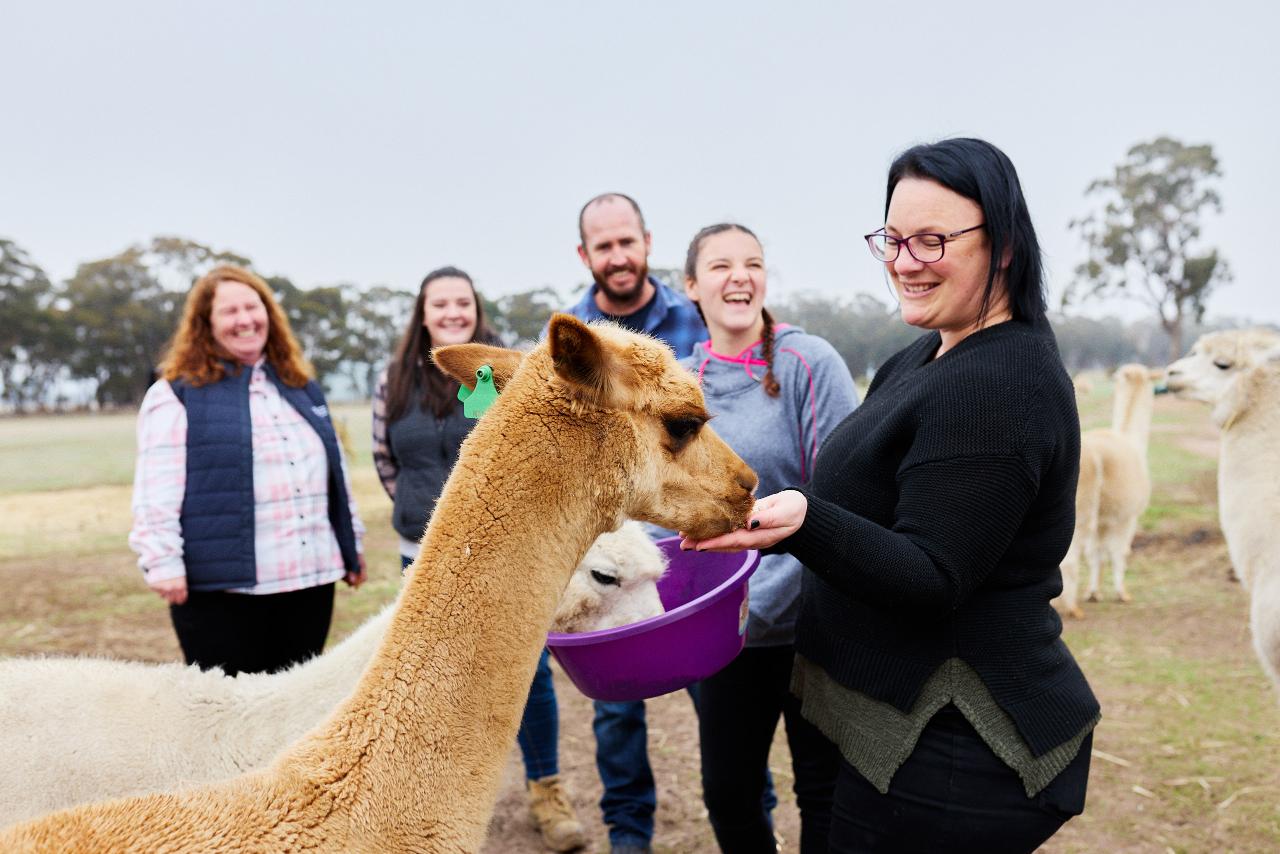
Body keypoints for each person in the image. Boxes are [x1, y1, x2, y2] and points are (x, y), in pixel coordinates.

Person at [683, 139, 1100, 852]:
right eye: (894, 239)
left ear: (1002, 245)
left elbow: (933, 575)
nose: (904, 262)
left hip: (955, 746)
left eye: (933, 240)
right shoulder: (930, 352)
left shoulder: (994, 386)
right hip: (888, 729)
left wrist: (806, 522)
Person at [371, 266, 585, 853]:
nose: (450, 312)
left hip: (508, 554)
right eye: (438, 304)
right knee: (429, 677)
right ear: (423, 313)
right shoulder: (392, 380)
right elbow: (385, 460)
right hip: (423, 556)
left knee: (529, 675)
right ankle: (438, 797)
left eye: (461, 303)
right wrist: (429, 517)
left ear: (475, 309)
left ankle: (546, 791)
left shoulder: (509, 374)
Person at [682, 223, 858, 853]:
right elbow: (666, 511)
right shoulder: (679, 383)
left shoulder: (811, 363)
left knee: (823, 788)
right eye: (721, 265)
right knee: (728, 793)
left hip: (816, 620)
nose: (740, 276)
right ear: (692, 285)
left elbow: (845, 492)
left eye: (753, 263)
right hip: (731, 629)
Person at [129, 265, 366, 677]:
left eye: (252, 307)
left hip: (309, 585)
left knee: (293, 715)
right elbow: (156, 492)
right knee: (229, 720)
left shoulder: (301, 387)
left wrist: (351, 545)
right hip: (223, 593)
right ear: (206, 324)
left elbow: (335, 476)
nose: (245, 320)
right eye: (229, 311)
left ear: (269, 314)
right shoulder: (175, 394)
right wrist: (163, 563)